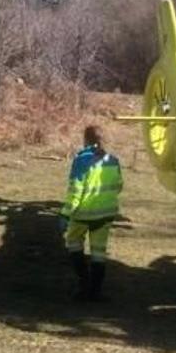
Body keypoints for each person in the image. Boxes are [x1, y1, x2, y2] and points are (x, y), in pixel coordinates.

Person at [60, 125, 124, 302]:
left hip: (83, 214)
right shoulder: (113, 160)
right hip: (105, 215)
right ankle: (96, 291)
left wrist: (65, 214)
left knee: (73, 243)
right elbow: (118, 186)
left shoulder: (81, 160)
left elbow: (76, 191)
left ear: (86, 140)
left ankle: (83, 282)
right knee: (98, 252)